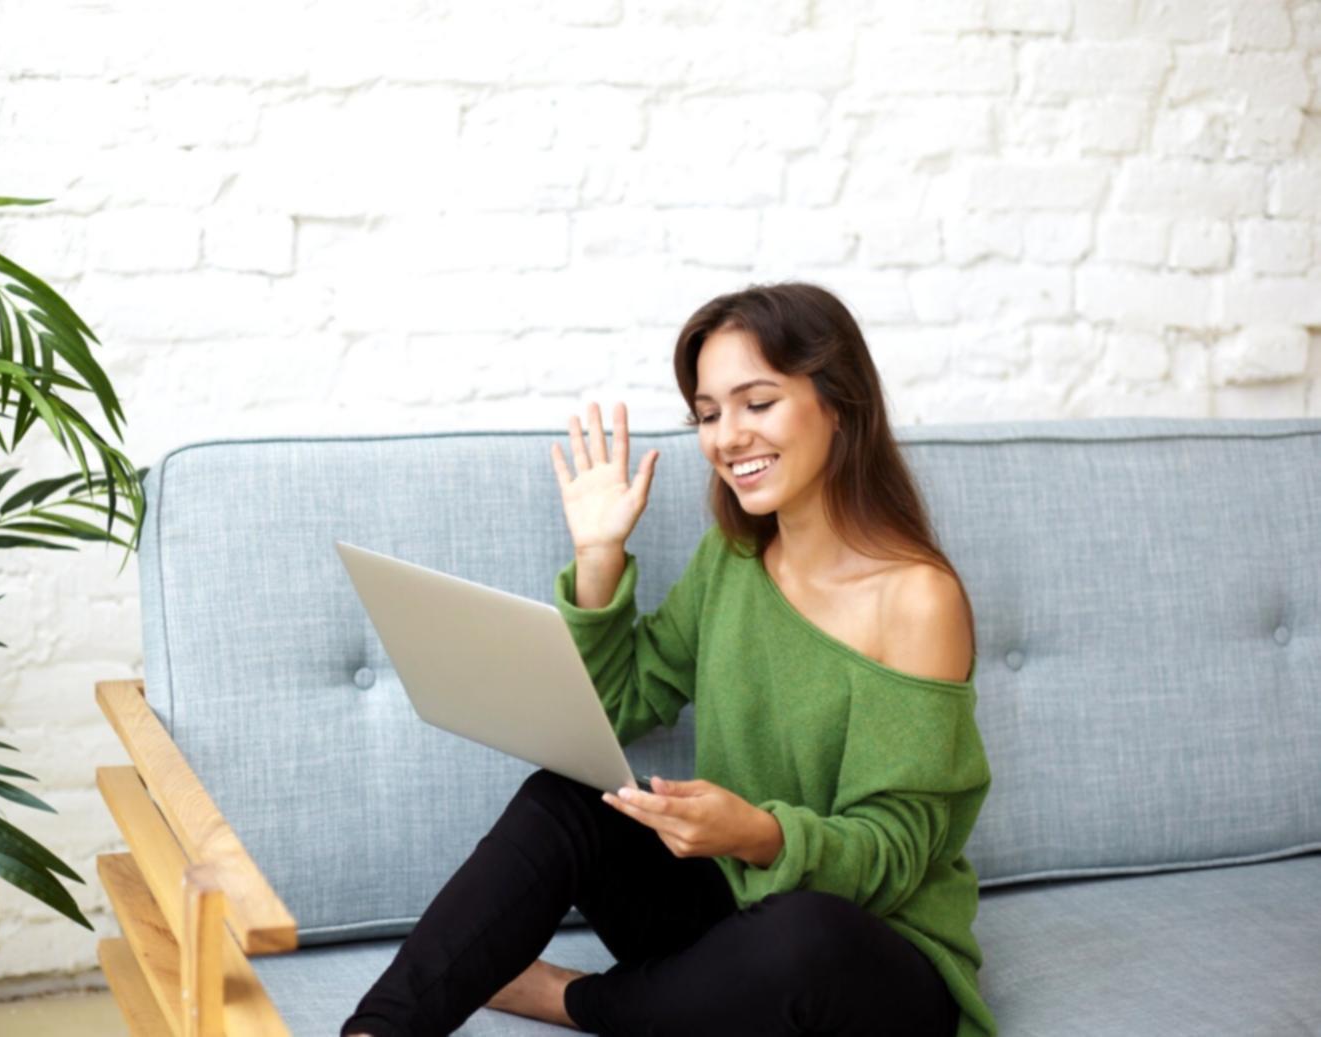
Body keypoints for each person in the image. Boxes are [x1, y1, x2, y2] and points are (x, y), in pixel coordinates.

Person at [343, 282, 997, 1037]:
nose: (726, 437)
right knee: (570, 797)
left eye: (756, 402)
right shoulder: (733, 556)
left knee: (804, 935)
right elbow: (616, 706)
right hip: (728, 915)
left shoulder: (917, 598)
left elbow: (899, 850)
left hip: (867, 957)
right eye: (709, 413)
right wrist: (598, 555)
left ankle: (571, 999)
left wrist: (757, 832)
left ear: (837, 400)